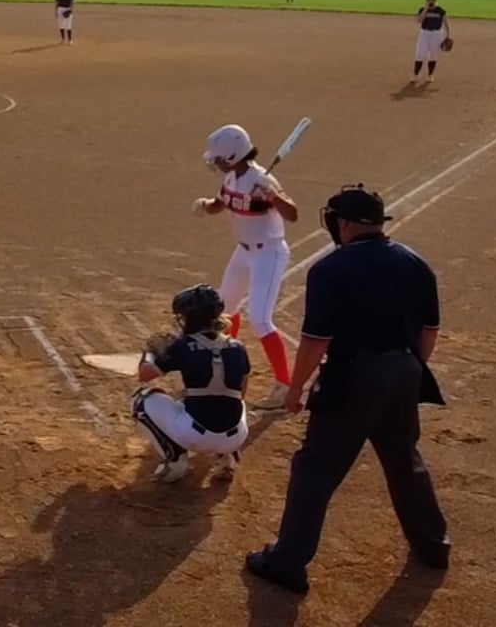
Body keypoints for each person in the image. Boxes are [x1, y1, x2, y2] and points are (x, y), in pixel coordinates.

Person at [244, 185, 449, 596]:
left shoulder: (331, 269)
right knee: (404, 460)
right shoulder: (415, 262)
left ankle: (287, 562)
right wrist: (406, 371)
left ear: (345, 224)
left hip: (354, 377)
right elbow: (429, 331)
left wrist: (295, 389)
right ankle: (433, 545)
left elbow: (316, 341)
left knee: (315, 468)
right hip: (405, 371)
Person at [192, 124, 300, 410]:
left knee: (260, 319)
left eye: (218, 157)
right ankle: (230, 364)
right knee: (225, 310)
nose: (215, 162)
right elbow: (221, 203)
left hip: (269, 253)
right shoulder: (231, 177)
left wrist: (272, 195)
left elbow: (292, 214)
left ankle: (285, 385)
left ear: (231, 155)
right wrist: (205, 205)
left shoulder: (263, 179)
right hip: (243, 251)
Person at [131, 284, 251, 483]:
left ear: (191, 318)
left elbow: (145, 374)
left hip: (196, 436)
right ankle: (228, 456)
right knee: (231, 397)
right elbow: (242, 390)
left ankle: (175, 461)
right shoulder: (238, 347)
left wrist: (149, 353)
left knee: (141, 400)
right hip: (236, 435)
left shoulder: (183, 346)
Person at [411, 0, 450, 84]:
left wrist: (448, 35)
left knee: (433, 55)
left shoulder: (441, 11)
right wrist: (426, 9)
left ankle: (430, 75)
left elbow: (446, 23)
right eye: (430, 0)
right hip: (424, 33)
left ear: (436, 1)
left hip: (437, 34)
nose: (431, 2)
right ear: (427, 1)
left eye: (433, 0)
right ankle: (415, 75)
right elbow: (419, 20)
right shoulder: (422, 9)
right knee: (420, 54)